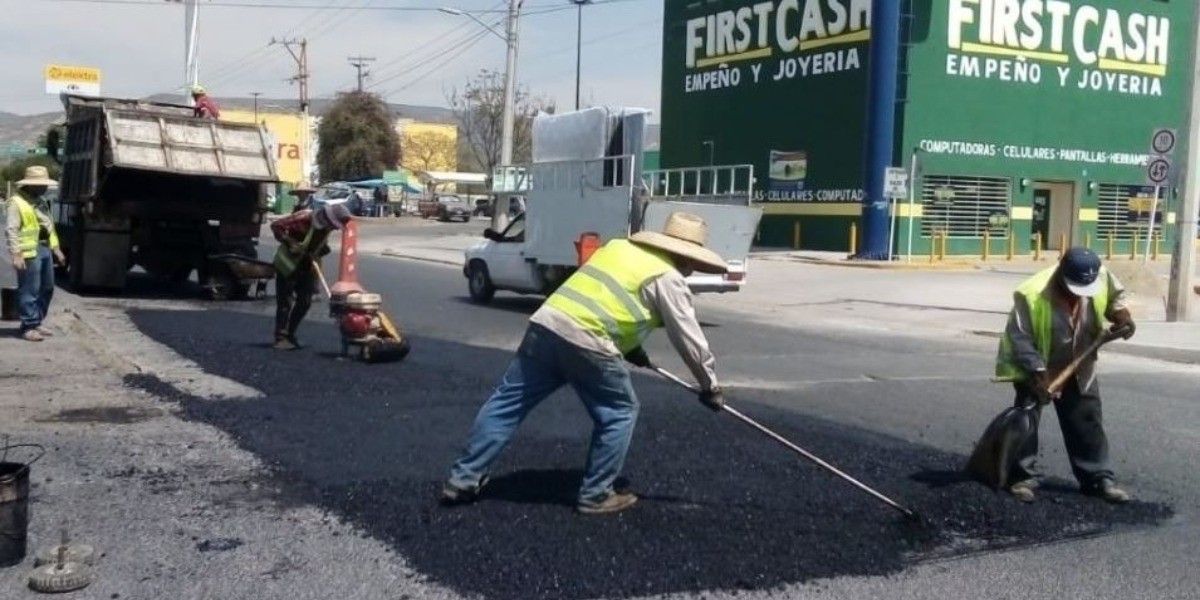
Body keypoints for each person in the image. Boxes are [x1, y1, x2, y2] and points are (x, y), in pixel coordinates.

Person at [441, 212, 728, 515]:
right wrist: (710, 386)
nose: (692, 269)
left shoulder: (619, 249)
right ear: (686, 256)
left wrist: (633, 350)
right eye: (693, 262)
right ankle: (595, 494)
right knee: (619, 411)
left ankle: (462, 480)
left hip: (546, 325)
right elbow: (688, 338)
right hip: (588, 341)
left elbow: (606, 298)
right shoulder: (667, 277)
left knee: (507, 404)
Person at [996, 246, 1136, 504]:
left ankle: (1097, 479)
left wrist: (1122, 316)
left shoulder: (1098, 275)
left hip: (1080, 359)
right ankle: (1021, 477)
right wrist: (1039, 374)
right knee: (1027, 419)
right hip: (1037, 363)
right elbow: (1020, 338)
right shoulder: (1031, 293)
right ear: (1061, 272)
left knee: (1087, 418)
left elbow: (1117, 298)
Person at [270, 201, 351, 350]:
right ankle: (280, 338)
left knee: (305, 302)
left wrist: (323, 249)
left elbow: (316, 243)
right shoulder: (304, 217)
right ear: (327, 219)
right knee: (285, 303)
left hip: (307, 265)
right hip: (287, 264)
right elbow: (276, 226)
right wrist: (290, 243)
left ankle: (290, 334)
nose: (334, 229)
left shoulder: (326, 229)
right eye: (333, 225)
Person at [4, 166, 65, 342]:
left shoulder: (41, 201)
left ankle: (36, 320)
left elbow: (49, 227)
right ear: (30, 185)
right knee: (29, 290)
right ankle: (28, 326)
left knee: (47, 287)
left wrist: (56, 249)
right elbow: (11, 230)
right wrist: (16, 254)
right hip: (28, 252)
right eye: (41, 185)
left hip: (45, 249)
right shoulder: (17, 203)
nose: (45, 188)